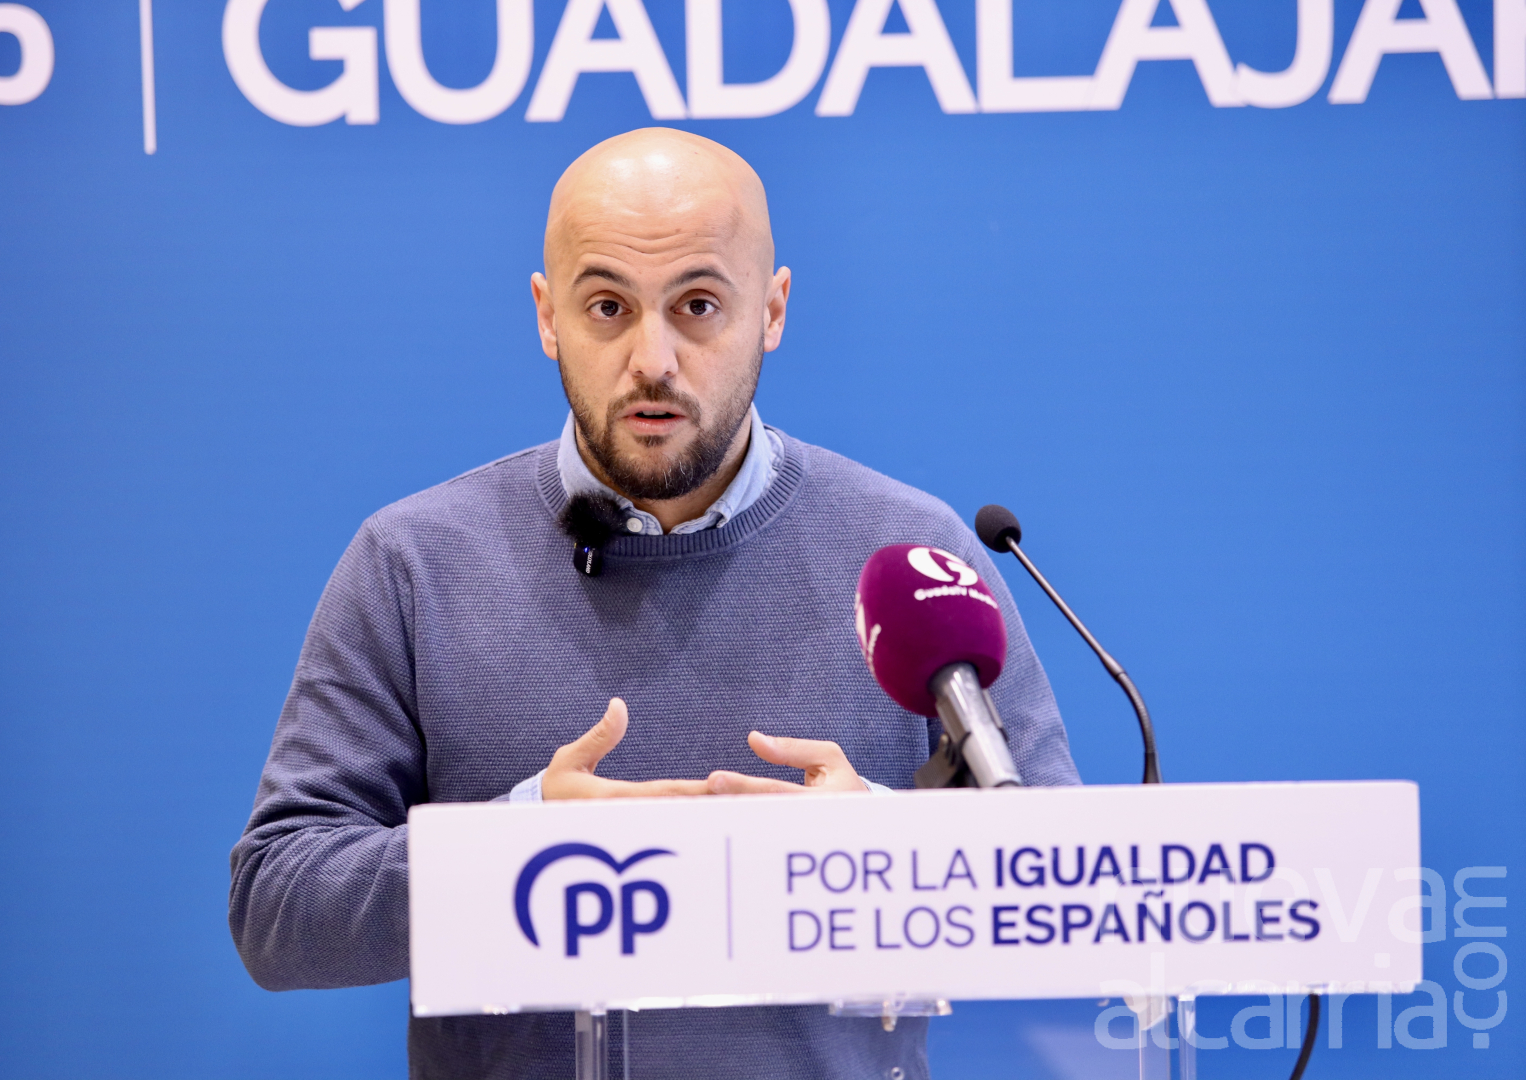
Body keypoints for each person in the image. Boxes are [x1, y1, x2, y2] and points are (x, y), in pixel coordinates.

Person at [229, 127, 1079, 1080]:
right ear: (548, 316)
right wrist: (517, 850)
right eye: (608, 307)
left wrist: (879, 854)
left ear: (772, 310)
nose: (653, 360)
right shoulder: (412, 563)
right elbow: (277, 908)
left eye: (699, 305)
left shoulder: (912, 559)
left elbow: (1065, 887)